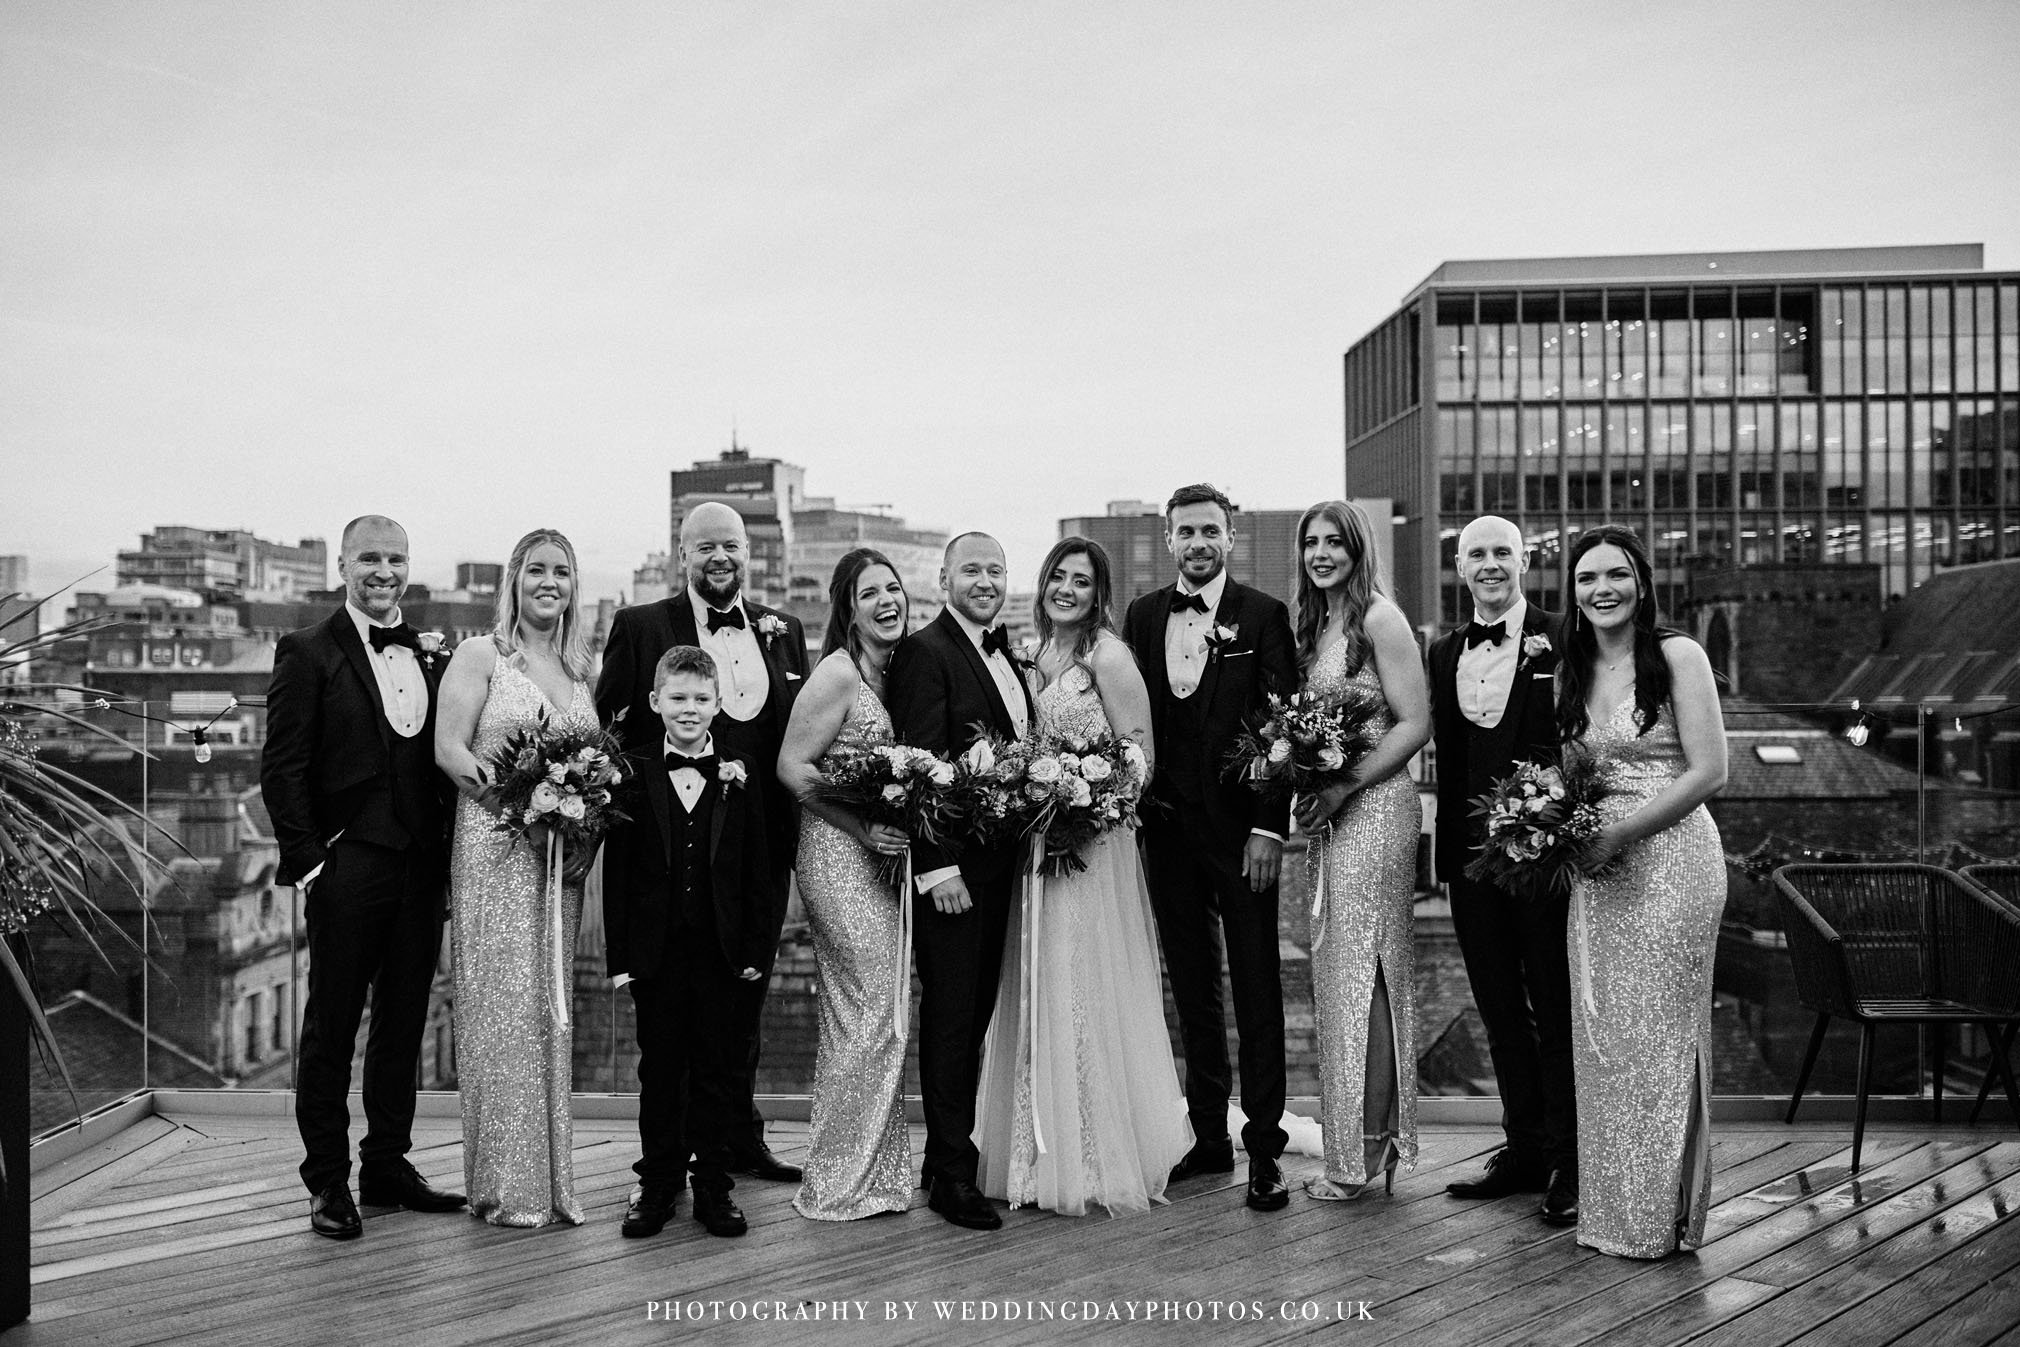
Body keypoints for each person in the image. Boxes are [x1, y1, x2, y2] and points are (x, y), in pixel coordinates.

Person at [260, 514, 465, 1240]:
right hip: (346, 868)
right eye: (370, 557)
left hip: (418, 871)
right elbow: (281, 770)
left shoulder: (435, 655)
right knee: (331, 1029)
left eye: (396, 558)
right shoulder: (307, 651)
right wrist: (313, 864)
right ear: (343, 563)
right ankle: (327, 1182)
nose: (384, 570)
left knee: (403, 1024)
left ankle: (387, 1164)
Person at [975, 539, 1192, 1216]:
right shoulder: (1031, 659)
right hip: (1036, 849)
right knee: (1041, 982)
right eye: (1057, 577)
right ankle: (1036, 1153)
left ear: (1098, 593)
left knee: (1086, 979)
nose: (1066, 589)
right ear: (1042, 585)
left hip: (1092, 847)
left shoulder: (1108, 655)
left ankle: (1094, 1153)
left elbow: (1141, 756)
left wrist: (1087, 802)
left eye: (1081, 580)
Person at [594, 501, 809, 1185]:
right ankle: (670, 1151)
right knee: (668, 1017)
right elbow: (612, 735)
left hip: (760, 849)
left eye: (733, 546)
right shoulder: (640, 626)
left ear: (749, 554)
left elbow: (795, 733)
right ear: (681, 553)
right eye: (706, 546)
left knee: (742, 995)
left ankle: (736, 1138)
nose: (721, 558)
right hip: (671, 847)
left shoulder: (786, 631)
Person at [1122, 483, 1299, 1213]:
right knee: (1193, 989)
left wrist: (1269, 826)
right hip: (1165, 833)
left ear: (1232, 536)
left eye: (1210, 531)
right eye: (1185, 532)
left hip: (1241, 835)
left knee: (1257, 986)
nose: (1198, 543)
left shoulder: (1264, 615)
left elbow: (1283, 728)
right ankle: (1207, 1135)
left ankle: (1263, 1150)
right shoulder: (1141, 615)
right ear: (1168, 539)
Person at [1559, 525, 1727, 1259]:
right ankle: (1615, 1211)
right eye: (1588, 576)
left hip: (1673, 865)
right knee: (1604, 1039)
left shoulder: (1678, 655)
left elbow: (1710, 770)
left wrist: (1623, 833)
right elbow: (1574, 774)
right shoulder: (1572, 667)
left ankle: (1663, 1217)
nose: (1603, 588)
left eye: (1617, 574)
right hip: (1598, 872)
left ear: (1642, 581)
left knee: (1660, 1039)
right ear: (1572, 592)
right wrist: (1555, 831)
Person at [433, 528, 596, 1227]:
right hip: (495, 848)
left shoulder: (580, 671)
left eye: (561, 571)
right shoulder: (481, 655)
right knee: (500, 1012)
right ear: (514, 579)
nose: (548, 582)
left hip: (559, 861)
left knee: (547, 1010)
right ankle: (506, 1186)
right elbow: (448, 749)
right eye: (536, 569)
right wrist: (520, 809)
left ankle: (552, 1182)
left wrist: (579, 828)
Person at [1426, 515, 1576, 1226]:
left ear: (1524, 561)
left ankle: (1569, 1160)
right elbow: (1449, 763)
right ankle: (1522, 1148)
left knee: (1554, 1006)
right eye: (1476, 554)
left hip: (1542, 860)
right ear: (1461, 567)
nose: (1490, 565)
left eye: (1501, 553)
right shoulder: (1444, 649)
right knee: (1498, 1011)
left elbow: (1578, 742)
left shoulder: (1561, 635)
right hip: (1470, 864)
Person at [885, 531, 1035, 1231]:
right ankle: (949, 1174)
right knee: (950, 1019)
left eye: (995, 569)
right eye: (971, 568)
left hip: (1003, 869)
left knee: (973, 1017)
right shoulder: (925, 651)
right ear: (942, 578)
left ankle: (951, 1155)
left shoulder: (1006, 656)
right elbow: (917, 764)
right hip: (956, 875)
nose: (986, 579)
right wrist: (936, 865)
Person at [601, 646, 777, 1239]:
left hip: (723, 954)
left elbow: (758, 869)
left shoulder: (742, 770)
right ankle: (655, 1184)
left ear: (718, 703)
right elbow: (618, 877)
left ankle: (715, 1188)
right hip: (655, 955)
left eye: (702, 699)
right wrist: (621, 960)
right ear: (656, 702)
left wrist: (755, 950)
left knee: (717, 1073)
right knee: (661, 1071)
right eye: (677, 698)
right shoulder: (632, 771)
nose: (690, 709)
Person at [1289, 501, 1431, 1201]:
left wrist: (1345, 785)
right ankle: (1363, 1145)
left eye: (1333, 541)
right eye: (1311, 542)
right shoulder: (1317, 624)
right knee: (1342, 975)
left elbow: (1415, 723)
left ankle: (1363, 1153)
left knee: (1366, 973)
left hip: (1375, 807)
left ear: (1356, 546)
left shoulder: (1379, 617)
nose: (1321, 552)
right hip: (1333, 814)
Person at [778, 549, 914, 1221]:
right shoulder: (836, 673)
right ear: (847, 607)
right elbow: (793, 768)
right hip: (837, 853)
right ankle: (834, 1179)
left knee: (878, 1010)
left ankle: (879, 1176)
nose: (887, 600)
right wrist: (862, 828)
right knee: (866, 1007)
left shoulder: (896, 671)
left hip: (882, 856)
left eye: (894, 588)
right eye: (871, 593)